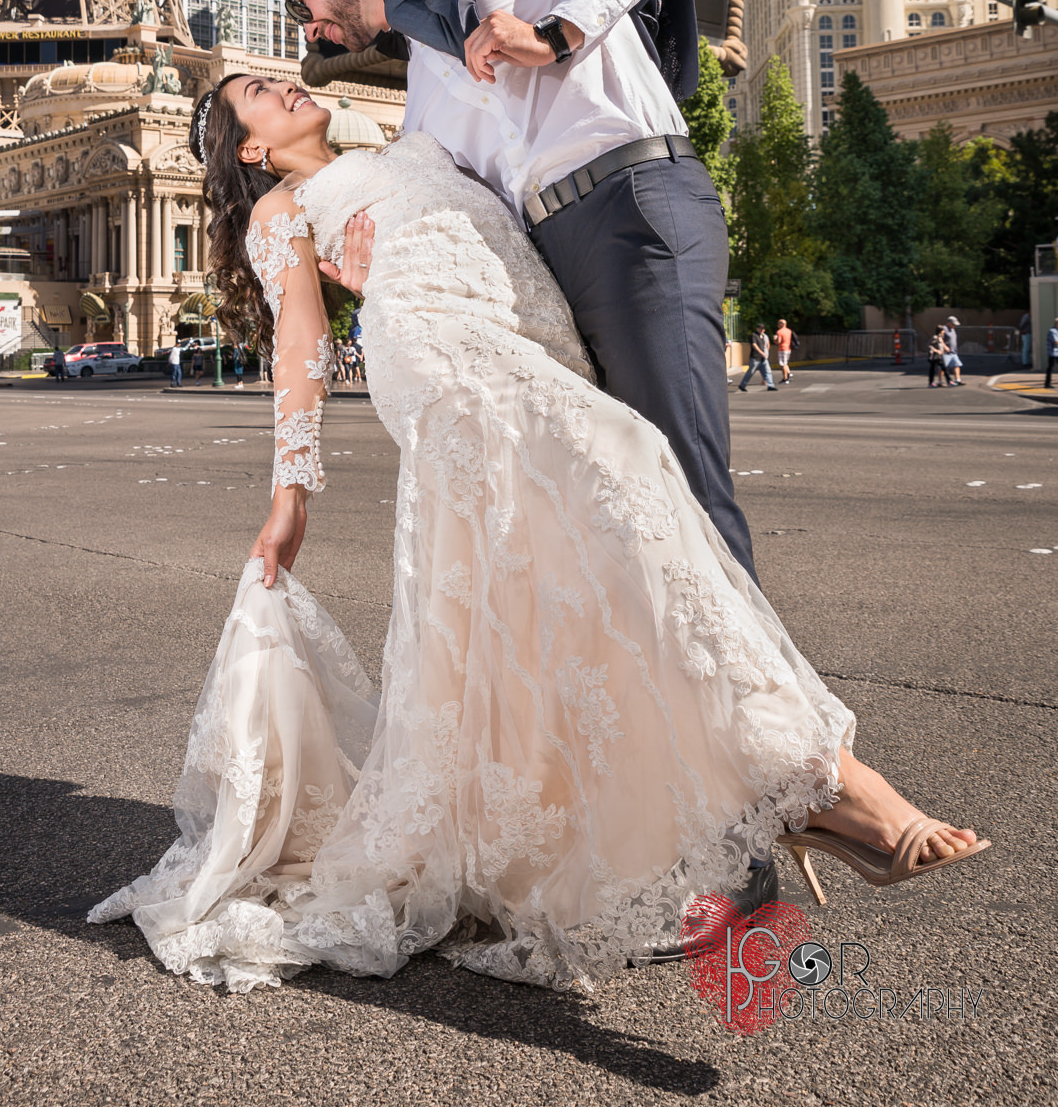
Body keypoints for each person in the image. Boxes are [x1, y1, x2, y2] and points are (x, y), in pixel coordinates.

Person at [87, 77, 987, 993]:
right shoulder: (282, 207)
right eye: (257, 95)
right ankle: (821, 783)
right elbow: (300, 346)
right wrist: (293, 493)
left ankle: (707, 807)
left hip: (532, 340)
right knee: (629, 470)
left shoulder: (401, 144)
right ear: (248, 149)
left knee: (555, 607)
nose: (285, 82)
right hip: (442, 355)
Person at [264, 0, 759, 583]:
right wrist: (376, 268)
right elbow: (446, 200)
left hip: (629, 204)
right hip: (548, 262)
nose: (308, 30)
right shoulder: (426, 74)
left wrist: (556, 31)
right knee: (621, 499)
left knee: (685, 489)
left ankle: (753, 695)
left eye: (295, 3)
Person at [739, 323, 775, 393]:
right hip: (755, 357)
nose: (762, 330)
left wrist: (765, 353)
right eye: (760, 328)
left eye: (763, 329)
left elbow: (767, 345)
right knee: (750, 372)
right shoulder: (754, 335)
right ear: (757, 329)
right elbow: (754, 344)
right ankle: (742, 385)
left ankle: (770, 385)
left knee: (768, 371)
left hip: (763, 358)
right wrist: (761, 352)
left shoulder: (764, 336)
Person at [773, 318, 794, 385]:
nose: (778, 325)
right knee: (785, 362)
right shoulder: (789, 331)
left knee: (782, 364)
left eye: (779, 323)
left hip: (782, 349)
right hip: (788, 349)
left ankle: (785, 378)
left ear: (781, 324)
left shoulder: (779, 332)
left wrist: (774, 339)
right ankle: (788, 374)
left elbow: (779, 341)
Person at [1045, 318, 1058, 391]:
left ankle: (1047, 384)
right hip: (1053, 353)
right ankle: (1047, 384)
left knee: (1050, 368)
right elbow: (1055, 342)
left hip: (1057, 352)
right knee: (1050, 368)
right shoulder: (1052, 331)